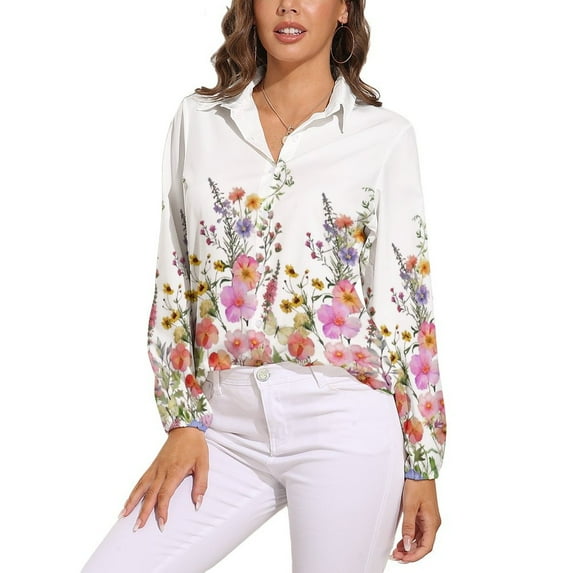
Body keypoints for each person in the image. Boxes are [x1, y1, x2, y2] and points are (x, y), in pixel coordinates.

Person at [82, 1, 446, 571]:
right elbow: (174, 274)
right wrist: (182, 419)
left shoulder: (384, 137)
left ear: (344, 9)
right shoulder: (199, 120)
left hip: (344, 421)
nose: (288, 5)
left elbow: (406, 301)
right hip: (223, 426)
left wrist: (421, 464)